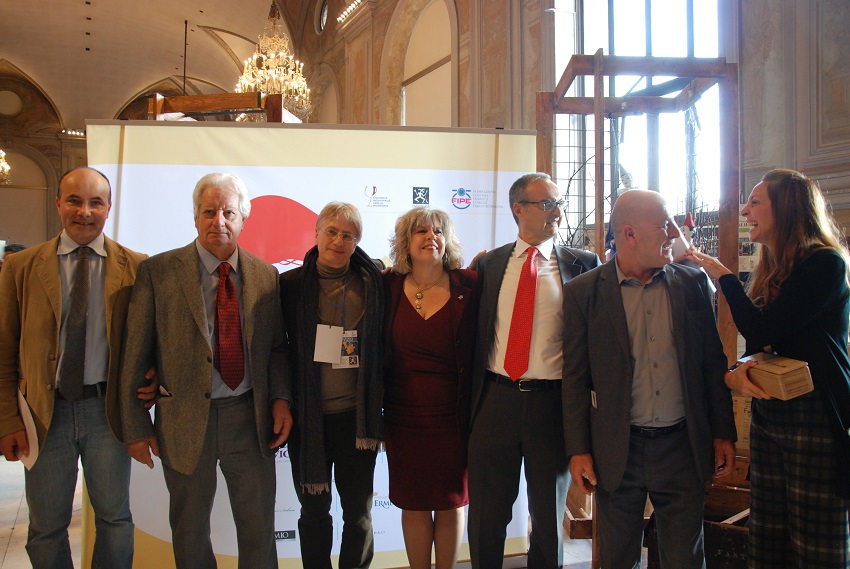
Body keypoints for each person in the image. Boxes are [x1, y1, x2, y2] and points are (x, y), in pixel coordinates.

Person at [119, 172, 292, 569]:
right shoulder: (158, 272)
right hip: (182, 417)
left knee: (259, 527)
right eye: (209, 212)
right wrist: (135, 425)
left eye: (229, 212)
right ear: (195, 217)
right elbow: (135, 352)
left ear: (244, 218)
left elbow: (277, 349)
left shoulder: (265, 275)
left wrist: (281, 398)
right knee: (190, 529)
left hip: (248, 417)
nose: (219, 221)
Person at [562, 189, 737, 569]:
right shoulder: (583, 293)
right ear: (630, 234)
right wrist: (578, 449)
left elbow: (712, 363)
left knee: (685, 559)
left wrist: (724, 431)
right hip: (617, 451)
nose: (674, 234)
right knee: (616, 559)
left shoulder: (691, 284)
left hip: (682, 447)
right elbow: (575, 378)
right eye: (664, 226)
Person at [687, 169, 850, 568]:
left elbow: (763, 328)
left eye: (756, 202)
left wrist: (724, 277)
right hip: (771, 411)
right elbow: (763, 346)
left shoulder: (825, 264)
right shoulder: (774, 266)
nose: (745, 211)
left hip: (814, 414)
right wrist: (740, 368)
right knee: (767, 538)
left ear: (787, 208)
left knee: (816, 545)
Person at [0, 168, 144, 568]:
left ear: (108, 208)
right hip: (43, 415)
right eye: (75, 201)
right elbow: (3, 349)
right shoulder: (21, 268)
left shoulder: (137, 267)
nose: (85, 212)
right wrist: (7, 419)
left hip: (107, 413)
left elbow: (146, 346)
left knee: (115, 520)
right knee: (46, 527)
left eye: (95, 202)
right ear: (58, 203)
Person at [467, 172, 601, 569]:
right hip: (495, 401)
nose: (557, 212)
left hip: (552, 406)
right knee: (487, 515)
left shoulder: (584, 265)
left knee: (547, 517)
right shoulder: (489, 265)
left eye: (559, 203)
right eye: (547, 204)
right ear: (519, 209)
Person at [279, 202, 384, 569]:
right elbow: (278, 348)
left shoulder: (374, 281)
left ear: (357, 243)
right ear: (317, 233)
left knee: (358, 514)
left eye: (349, 236)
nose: (339, 241)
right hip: (308, 419)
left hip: (356, 419)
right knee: (313, 513)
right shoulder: (290, 285)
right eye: (332, 232)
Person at [383, 208, 478, 569]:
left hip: (453, 419)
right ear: (405, 243)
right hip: (403, 418)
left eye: (438, 231)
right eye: (420, 231)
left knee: (451, 503)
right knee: (414, 503)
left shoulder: (470, 286)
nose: (430, 237)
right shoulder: (388, 286)